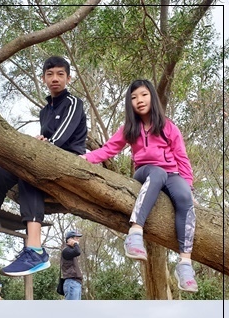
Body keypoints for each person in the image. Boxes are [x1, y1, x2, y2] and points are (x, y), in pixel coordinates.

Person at [0, 56, 87, 277]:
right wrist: (40, 142)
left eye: (60, 74)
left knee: (27, 171)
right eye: (50, 74)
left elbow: (62, 137)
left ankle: (35, 250)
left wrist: (43, 145)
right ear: (43, 78)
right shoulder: (45, 111)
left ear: (68, 78)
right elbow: (48, 139)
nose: (55, 78)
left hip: (69, 160)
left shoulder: (73, 103)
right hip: (45, 158)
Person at [82, 79, 197, 292]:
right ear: (130, 103)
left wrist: (188, 185)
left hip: (171, 174)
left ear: (152, 97)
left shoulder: (168, 126)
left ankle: (185, 264)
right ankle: (135, 234)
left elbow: (182, 157)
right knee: (157, 173)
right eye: (134, 97)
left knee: (184, 197)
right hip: (146, 171)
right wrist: (86, 158)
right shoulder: (129, 128)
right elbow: (108, 149)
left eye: (144, 95)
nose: (139, 100)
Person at [60, 230, 84, 300]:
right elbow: (78, 252)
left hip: (75, 283)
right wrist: (75, 244)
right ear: (70, 239)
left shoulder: (71, 251)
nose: (78, 240)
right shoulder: (66, 250)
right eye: (76, 238)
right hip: (71, 283)